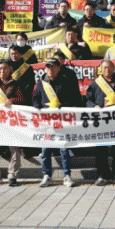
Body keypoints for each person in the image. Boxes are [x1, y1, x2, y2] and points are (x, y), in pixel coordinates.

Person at [34, 58, 82, 188]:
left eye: (52, 66)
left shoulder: (66, 81)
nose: (50, 69)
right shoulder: (41, 83)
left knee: (64, 150)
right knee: (45, 150)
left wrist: (62, 107)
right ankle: (46, 175)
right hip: (46, 123)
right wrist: (38, 108)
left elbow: (74, 98)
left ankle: (67, 175)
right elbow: (36, 99)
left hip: (62, 121)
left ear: (58, 67)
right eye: (47, 67)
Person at [85, 60, 115, 186]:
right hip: (101, 121)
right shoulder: (96, 84)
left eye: (109, 67)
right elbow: (88, 99)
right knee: (101, 149)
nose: (107, 70)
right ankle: (103, 175)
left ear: (113, 68)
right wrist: (94, 106)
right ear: (101, 69)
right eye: (104, 68)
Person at [0, 59, 27, 187]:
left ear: (10, 70)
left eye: (5, 68)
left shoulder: (16, 84)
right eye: (0, 68)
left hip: (11, 122)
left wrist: (13, 101)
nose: (2, 71)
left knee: (14, 149)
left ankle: (12, 176)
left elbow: (23, 99)